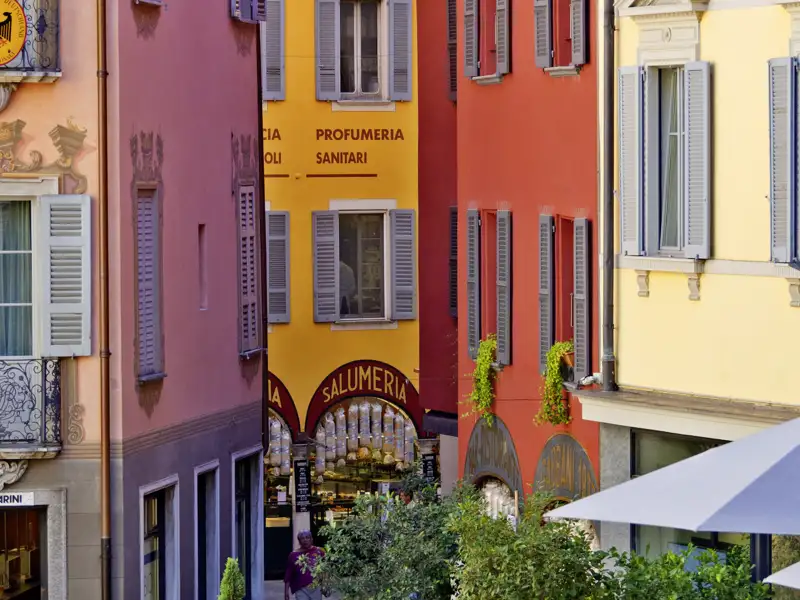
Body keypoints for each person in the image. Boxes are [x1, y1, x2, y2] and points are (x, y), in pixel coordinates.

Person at [285, 530, 325, 600]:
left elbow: (326, 568)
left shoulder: (319, 551)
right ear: (299, 541)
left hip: (316, 587)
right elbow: (288, 574)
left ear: (311, 539)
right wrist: (286, 592)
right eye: (302, 538)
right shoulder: (293, 555)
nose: (305, 540)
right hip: (300, 588)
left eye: (307, 537)